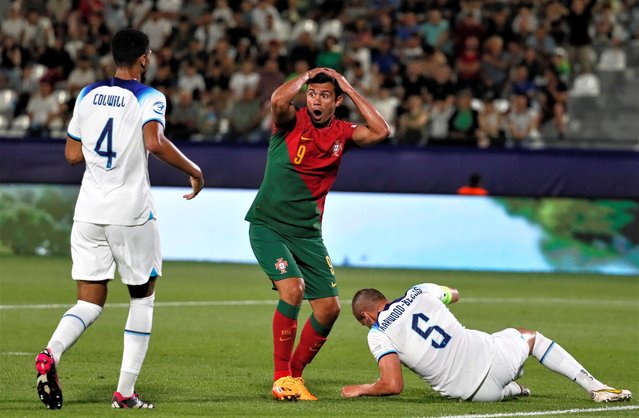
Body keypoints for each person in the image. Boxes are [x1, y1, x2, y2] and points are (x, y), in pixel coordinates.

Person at [34, 29, 204, 410]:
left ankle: (51, 352)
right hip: (129, 213)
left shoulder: (86, 94)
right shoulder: (150, 97)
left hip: (88, 212)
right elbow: (155, 142)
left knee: (89, 302)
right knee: (142, 298)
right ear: (144, 58)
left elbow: (72, 155)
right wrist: (195, 170)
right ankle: (124, 393)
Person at [245, 67, 390, 401]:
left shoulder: (342, 133)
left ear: (336, 101)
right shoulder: (289, 122)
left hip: (308, 234)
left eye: (325, 95)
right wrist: (309, 75)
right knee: (293, 290)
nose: (316, 100)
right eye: (312, 94)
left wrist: (350, 87)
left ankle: (294, 376)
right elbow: (277, 98)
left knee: (329, 309)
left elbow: (381, 130)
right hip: (268, 226)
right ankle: (281, 378)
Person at [342, 283, 632, 403]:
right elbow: (455, 294)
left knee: (490, 363)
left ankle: (513, 389)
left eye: (362, 321)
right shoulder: (419, 291)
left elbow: (393, 384)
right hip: (493, 358)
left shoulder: (378, 333)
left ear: (366, 315)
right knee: (530, 337)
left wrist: (364, 389)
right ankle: (597, 388)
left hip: (474, 395)